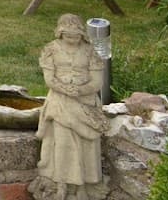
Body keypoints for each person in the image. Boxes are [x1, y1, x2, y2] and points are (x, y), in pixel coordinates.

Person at [36, 13, 108, 200]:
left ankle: (84, 185)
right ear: (60, 34)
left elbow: (98, 81)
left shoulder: (90, 51)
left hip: (85, 102)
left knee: (88, 147)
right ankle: (61, 184)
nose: (72, 39)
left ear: (82, 34)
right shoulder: (50, 50)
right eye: (68, 35)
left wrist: (81, 90)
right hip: (60, 101)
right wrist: (65, 89)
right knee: (63, 143)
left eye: (76, 36)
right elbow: (49, 79)